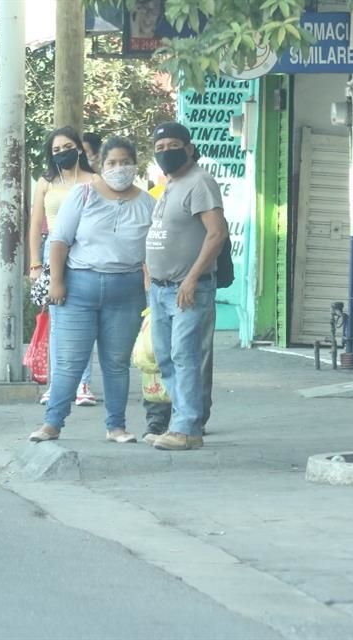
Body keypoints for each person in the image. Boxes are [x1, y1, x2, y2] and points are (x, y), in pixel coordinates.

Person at [28, 136, 154, 442]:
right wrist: (57, 282)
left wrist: (151, 292)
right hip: (78, 288)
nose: (119, 168)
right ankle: (52, 423)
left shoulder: (148, 203)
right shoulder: (83, 195)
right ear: (100, 164)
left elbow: (152, 251)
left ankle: (116, 426)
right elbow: (59, 241)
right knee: (70, 361)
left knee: (116, 363)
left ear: (135, 165)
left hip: (126, 290)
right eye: (112, 162)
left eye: (125, 162)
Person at [144, 122, 229, 451]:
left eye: (173, 145)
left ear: (190, 148)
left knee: (185, 356)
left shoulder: (200, 182)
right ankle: (182, 423)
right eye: (160, 147)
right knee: (166, 357)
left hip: (188, 288)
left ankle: (186, 426)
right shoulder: (171, 185)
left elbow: (216, 233)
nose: (166, 152)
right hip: (162, 289)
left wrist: (192, 278)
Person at [28, 126, 98, 407]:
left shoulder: (94, 181)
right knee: (56, 321)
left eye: (66, 147)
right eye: (55, 150)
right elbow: (34, 224)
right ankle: (57, 385)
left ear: (79, 148)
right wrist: (34, 263)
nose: (61, 153)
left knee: (85, 318)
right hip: (52, 251)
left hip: (86, 251)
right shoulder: (46, 181)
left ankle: (83, 384)